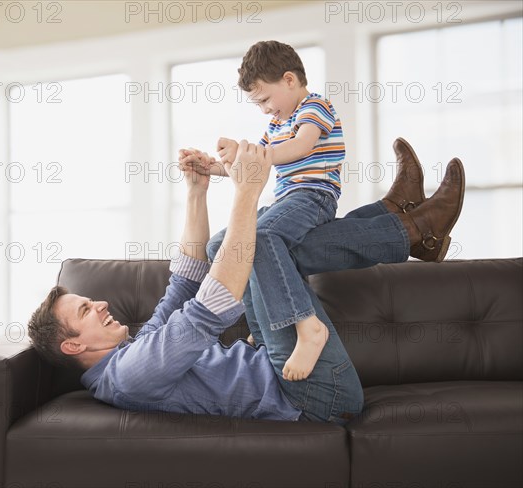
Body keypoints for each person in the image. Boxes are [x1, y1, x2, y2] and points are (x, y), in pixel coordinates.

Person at [27, 137, 465, 425]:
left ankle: (399, 218)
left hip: (292, 374)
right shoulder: (129, 374)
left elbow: (186, 279)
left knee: (236, 247)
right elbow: (211, 303)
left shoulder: (131, 353)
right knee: (259, 239)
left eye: (90, 301)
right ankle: (408, 228)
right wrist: (246, 191)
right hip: (313, 395)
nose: (101, 305)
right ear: (73, 346)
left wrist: (197, 190)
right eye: (86, 311)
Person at [182, 40, 348, 381]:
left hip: (313, 196)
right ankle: (263, 324)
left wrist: (253, 156)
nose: (264, 110)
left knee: (260, 235)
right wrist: (214, 166)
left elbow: (302, 145)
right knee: (221, 245)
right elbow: (249, 168)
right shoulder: (274, 127)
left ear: (289, 80)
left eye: (264, 100)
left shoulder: (313, 107)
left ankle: (308, 325)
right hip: (286, 200)